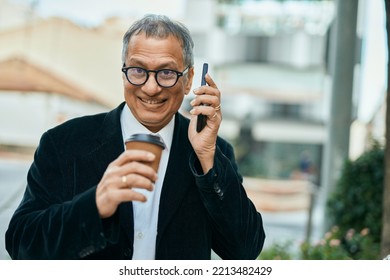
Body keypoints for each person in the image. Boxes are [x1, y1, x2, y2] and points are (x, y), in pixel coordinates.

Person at [5, 14, 265, 260]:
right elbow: (22, 245)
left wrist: (208, 159)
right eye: (138, 71)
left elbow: (245, 250)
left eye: (166, 73)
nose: (151, 88)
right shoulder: (63, 142)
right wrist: (93, 206)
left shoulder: (213, 152)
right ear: (123, 73)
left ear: (189, 81)